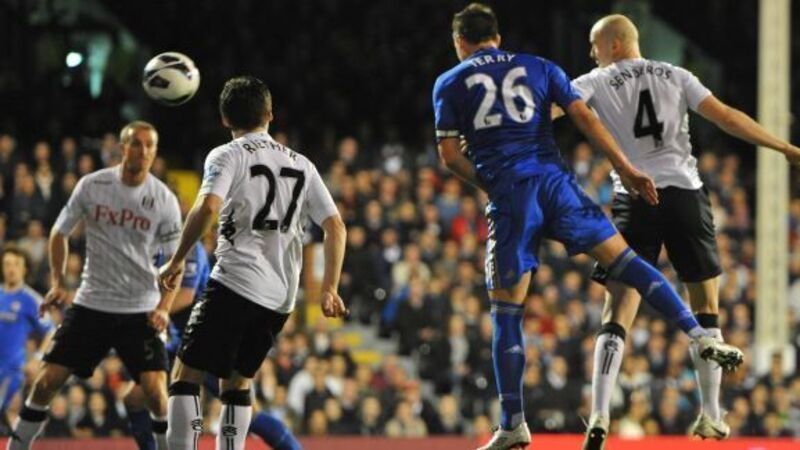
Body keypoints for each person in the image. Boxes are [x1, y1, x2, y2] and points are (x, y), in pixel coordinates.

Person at [432, 4, 743, 449]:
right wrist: (626, 168)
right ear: (497, 36)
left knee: (507, 311)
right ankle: (698, 333)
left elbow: (449, 157)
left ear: (459, 42)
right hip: (557, 185)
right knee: (625, 261)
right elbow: (585, 118)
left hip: (511, 195)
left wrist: (492, 182)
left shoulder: (449, 82)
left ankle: (513, 423)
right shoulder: (541, 67)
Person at [566, 14, 800, 448]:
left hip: (635, 196)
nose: (591, 53)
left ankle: (599, 412)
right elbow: (727, 117)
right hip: (685, 195)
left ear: (615, 44)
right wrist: (783, 146)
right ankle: (710, 414)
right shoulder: (676, 75)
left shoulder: (592, 81)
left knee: (617, 309)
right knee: (706, 305)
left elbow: (547, 111)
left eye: (595, 44)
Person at [158, 76, 347, 450]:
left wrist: (177, 259)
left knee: (185, 375)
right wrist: (330, 288)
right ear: (270, 114)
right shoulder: (302, 164)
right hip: (279, 297)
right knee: (238, 382)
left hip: (236, 280)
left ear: (225, 119)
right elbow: (335, 226)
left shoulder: (227, 155)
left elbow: (207, 208)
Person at [6, 121, 183, 450]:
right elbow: (59, 232)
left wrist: (164, 307)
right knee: (45, 383)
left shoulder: (164, 200)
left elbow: (176, 263)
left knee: (157, 392)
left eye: (150, 145)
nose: (143, 151)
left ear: (155, 152)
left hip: (141, 309)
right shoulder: (92, 185)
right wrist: (58, 282)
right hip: (91, 304)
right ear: (122, 147)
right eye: (136, 143)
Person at [127, 241, 302, 450]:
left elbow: (185, 296)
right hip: (176, 342)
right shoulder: (152, 246)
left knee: (248, 411)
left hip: (205, 339)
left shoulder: (189, 248)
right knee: (135, 399)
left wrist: (145, 313)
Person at [0, 247, 53, 436]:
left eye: (16, 264)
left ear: (25, 269)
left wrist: (37, 358)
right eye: (7, 264)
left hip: (11, 370)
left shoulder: (31, 300)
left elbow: (51, 331)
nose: (11, 268)